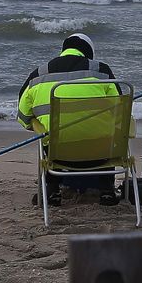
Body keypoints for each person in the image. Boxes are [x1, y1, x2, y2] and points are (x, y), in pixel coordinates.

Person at [18, 33, 122, 200]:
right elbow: (120, 113)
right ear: (89, 53)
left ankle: (52, 188)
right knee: (107, 132)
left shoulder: (38, 74)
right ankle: (106, 189)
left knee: (49, 135)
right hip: (100, 154)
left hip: (58, 156)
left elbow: (23, 117)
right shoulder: (101, 71)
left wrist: (38, 125)